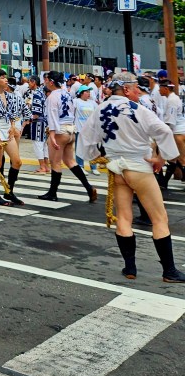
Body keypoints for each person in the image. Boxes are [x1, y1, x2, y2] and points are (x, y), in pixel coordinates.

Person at [78, 71, 185, 282]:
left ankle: (130, 268)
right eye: (136, 87)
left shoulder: (100, 109)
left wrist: (97, 155)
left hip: (117, 169)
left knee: (124, 218)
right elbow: (163, 131)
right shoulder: (137, 109)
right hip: (139, 167)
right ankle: (169, 270)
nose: (138, 91)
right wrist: (162, 157)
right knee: (159, 218)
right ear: (126, 89)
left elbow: (86, 139)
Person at [39, 71, 97, 202]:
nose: (45, 82)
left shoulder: (52, 97)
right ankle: (88, 187)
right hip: (70, 130)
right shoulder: (67, 94)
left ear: (51, 82)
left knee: (55, 162)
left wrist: (52, 135)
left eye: (47, 80)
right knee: (70, 161)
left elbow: (52, 116)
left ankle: (52, 193)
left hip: (59, 131)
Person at [0, 69, 25, 206]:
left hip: (7, 128)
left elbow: (12, 113)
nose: (6, 80)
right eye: (2, 77)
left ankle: (9, 191)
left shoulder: (9, 95)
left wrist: (13, 126)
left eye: (5, 77)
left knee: (17, 161)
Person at [28, 77, 49, 174]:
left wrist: (29, 118)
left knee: (38, 144)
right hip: (44, 122)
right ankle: (46, 166)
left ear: (33, 82)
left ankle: (42, 167)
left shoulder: (36, 94)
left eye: (29, 82)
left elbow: (36, 113)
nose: (28, 84)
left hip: (38, 123)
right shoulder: (42, 93)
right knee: (44, 145)